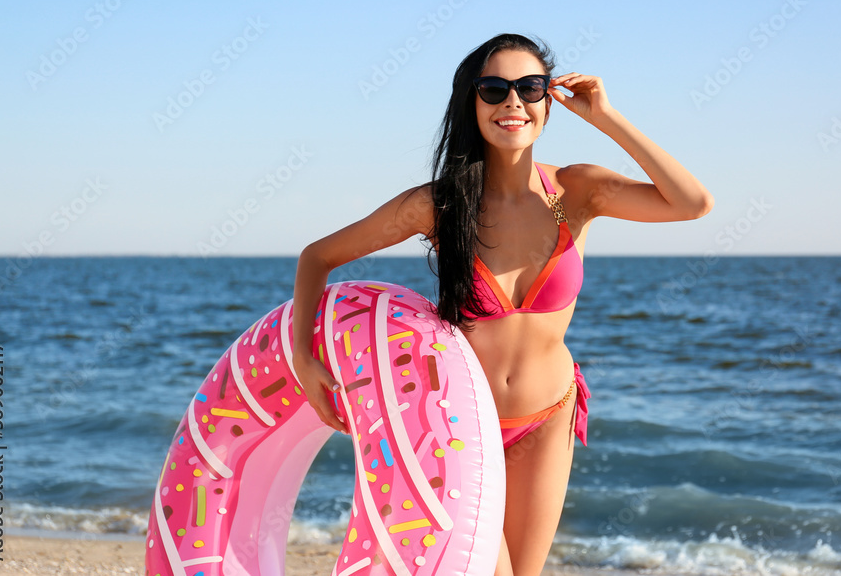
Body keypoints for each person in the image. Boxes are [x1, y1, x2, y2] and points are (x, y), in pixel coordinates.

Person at [291, 33, 713, 576]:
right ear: (472, 102)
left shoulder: (574, 193)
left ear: (547, 100)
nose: (512, 102)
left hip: (548, 417)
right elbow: (317, 257)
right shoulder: (441, 204)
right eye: (493, 89)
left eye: (529, 87)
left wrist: (605, 117)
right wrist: (305, 358)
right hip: (464, 424)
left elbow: (692, 203)